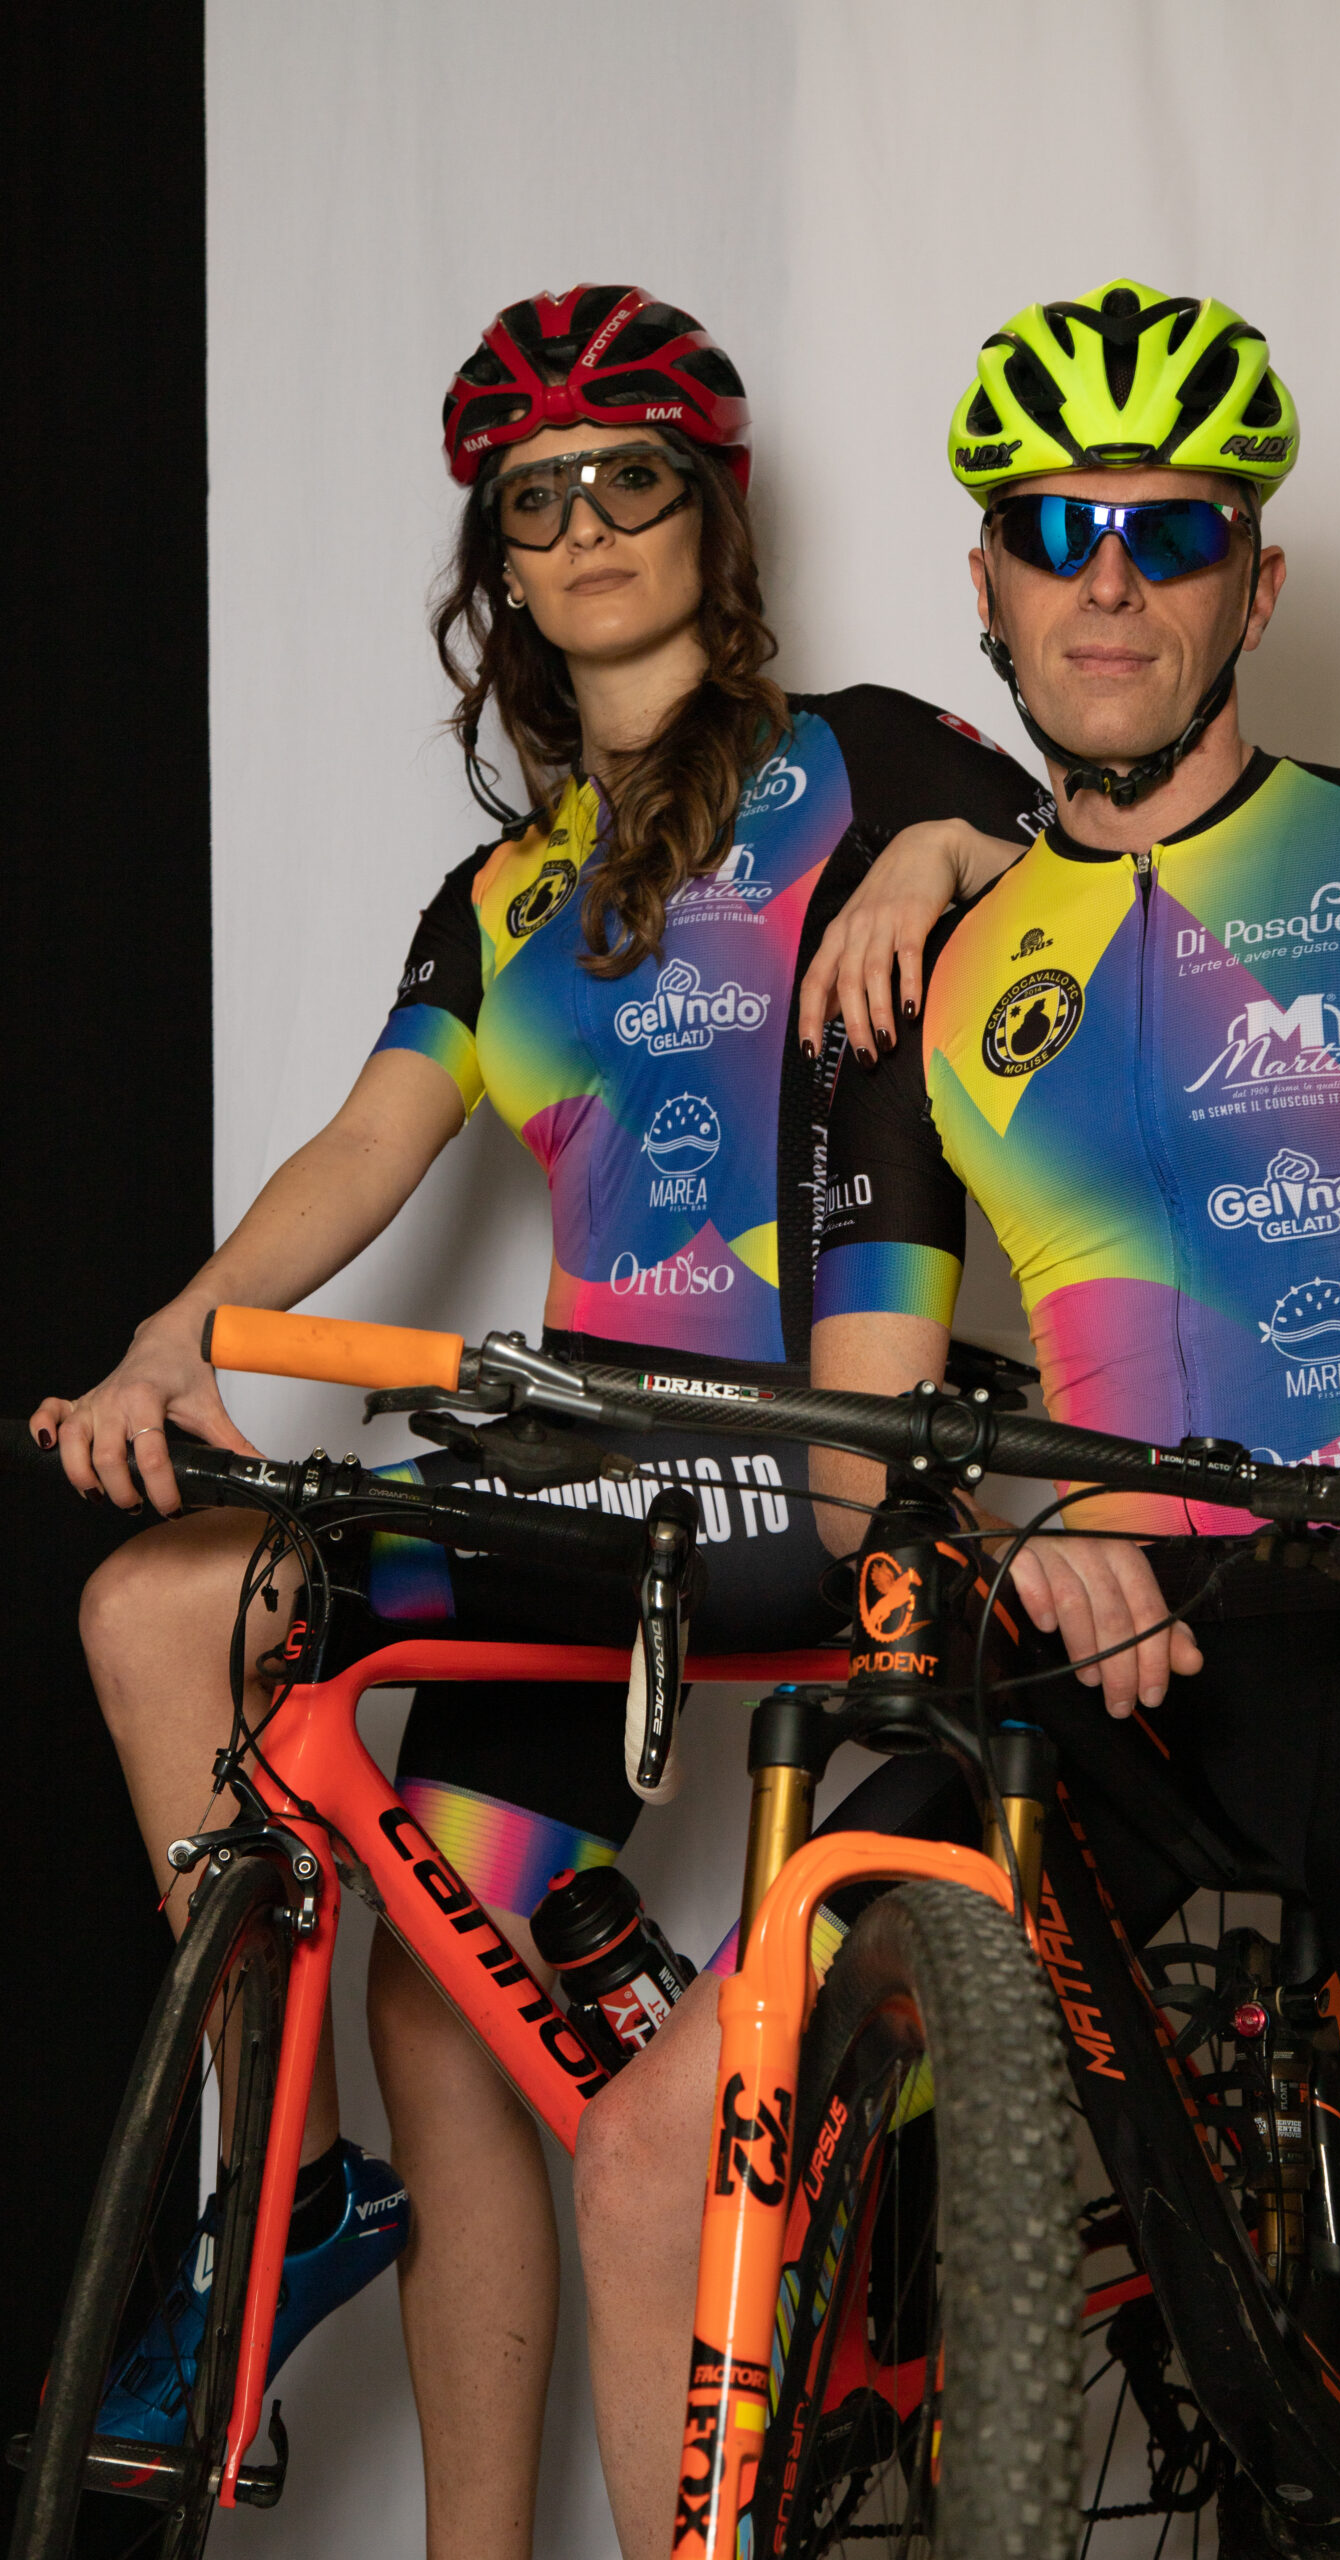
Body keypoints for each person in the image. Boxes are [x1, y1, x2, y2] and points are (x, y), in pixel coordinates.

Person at [580, 275, 1340, 2560]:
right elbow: (859, 1441)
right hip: (1090, 1676)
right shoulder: (905, 972)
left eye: (1168, 531)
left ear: (1251, 584)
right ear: (984, 584)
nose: (1109, 582)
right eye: (1055, 529)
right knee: (650, 2143)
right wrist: (1015, 1529)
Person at [31, 282, 1048, 2559]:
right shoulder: (497, 895)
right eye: (533, 499)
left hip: (809, 1462)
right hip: (580, 1488)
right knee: (226, 1698)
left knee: (479, 1960)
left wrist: (939, 856)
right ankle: (309, 2217)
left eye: (629, 479)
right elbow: (365, 1147)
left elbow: (1087, 859)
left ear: (714, 514)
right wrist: (180, 1334)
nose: (583, 525)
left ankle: (781, 2151)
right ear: (495, 559)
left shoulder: (872, 761)